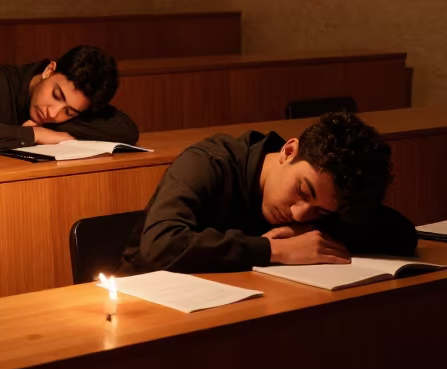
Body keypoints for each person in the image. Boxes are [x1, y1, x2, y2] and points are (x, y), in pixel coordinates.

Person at [120, 111, 417, 275]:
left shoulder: (315, 208)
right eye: (302, 190)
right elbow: (160, 245)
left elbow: (401, 235)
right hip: (144, 303)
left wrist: (313, 228)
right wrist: (275, 250)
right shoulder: (209, 162)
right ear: (288, 151)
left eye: (321, 211)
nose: (299, 212)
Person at [0, 44, 138, 155]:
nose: (53, 113)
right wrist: (35, 135)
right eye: (56, 95)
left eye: (69, 112)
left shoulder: (81, 104)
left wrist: (50, 130)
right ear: (49, 70)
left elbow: (126, 131)